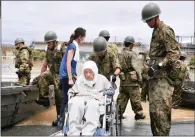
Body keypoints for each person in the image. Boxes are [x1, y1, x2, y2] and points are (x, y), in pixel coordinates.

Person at [141, 3, 180, 136]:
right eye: (146, 21)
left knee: (161, 114)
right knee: (154, 114)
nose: (148, 23)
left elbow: (174, 53)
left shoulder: (165, 30)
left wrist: (159, 65)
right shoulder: (156, 30)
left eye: (149, 20)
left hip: (163, 81)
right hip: (154, 80)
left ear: (157, 17)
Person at [67, 61, 115, 136]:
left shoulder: (101, 78)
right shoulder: (80, 79)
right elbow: (73, 90)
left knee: (92, 105)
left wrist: (103, 93)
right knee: (75, 103)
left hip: (94, 99)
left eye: (90, 72)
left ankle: (88, 133)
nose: (88, 74)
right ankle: (74, 132)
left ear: (94, 71)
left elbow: (111, 90)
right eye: (85, 72)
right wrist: (70, 92)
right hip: (81, 97)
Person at [34, 31, 66, 126]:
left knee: (58, 93)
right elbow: (45, 65)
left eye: (49, 42)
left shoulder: (62, 48)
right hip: (52, 72)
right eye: (47, 43)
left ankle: (60, 117)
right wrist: (40, 78)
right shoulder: (48, 50)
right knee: (43, 76)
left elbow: (69, 62)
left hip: (61, 73)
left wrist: (69, 77)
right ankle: (44, 99)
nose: (48, 44)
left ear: (55, 42)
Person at [57, 27, 86, 129]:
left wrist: (74, 75)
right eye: (84, 37)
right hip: (65, 75)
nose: (84, 40)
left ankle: (65, 119)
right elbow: (68, 62)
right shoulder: (73, 46)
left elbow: (72, 64)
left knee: (69, 96)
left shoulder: (74, 45)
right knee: (67, 97)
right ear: (80, 37)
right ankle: (61, 120)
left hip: (68, 74)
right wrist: (70, 77)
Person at [117, 36, 145, 120]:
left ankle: (118, 114)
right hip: (132, 81)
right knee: (135, 98)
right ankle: (139, 114)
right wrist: (140, 79)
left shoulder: (120, 54)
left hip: (123, 80)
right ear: (131, 45)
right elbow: (136, 68)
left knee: (122, 97)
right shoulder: (132, 54)